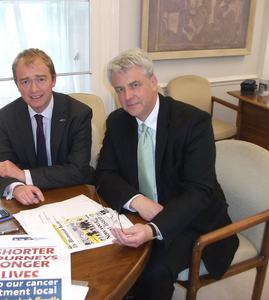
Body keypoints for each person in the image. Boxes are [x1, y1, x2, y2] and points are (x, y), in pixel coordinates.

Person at [94, 48, 239, 300]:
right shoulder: (118, 121)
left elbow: (198, 192)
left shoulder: (193, 122)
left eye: (134, 85)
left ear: (153, 83)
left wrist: (153, 228)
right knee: (108, 260)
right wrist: (140, 203)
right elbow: (105, 174)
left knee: (152, 271)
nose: (127, 96)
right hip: (140, 212)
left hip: (191, 220)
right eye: (119, 89)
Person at [0, 48, 94, 206]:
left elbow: (78, 171)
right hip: (30, 199)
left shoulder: (78, 113)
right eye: (25, 81)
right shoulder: (9, 115)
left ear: (53, 80)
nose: (34, 89)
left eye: (40, 79)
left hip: (73, 194)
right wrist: (16, 187)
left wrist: (22, 175)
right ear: (17, 85)